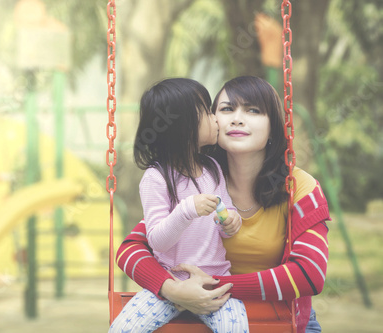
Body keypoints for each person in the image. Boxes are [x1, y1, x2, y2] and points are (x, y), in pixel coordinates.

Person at [115, 76, 330, 333]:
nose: (237, 118)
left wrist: (214, 285)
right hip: (201, 314)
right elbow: (131, 248)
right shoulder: (196, 179)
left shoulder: (298, 186)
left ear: (273, 125)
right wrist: (173, 289)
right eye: (227, 109)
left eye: (253, 110)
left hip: (279, 320)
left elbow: (310, 273)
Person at [109, 78, 249, 333]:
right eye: (207, 111)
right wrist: (186, 210)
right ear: (183, 127)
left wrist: (230, 221)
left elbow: (223, 217)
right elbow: (158, 241)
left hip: (215, 282)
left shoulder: (212, 169)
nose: (216, 118)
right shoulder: (156, 178)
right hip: (170, 283)